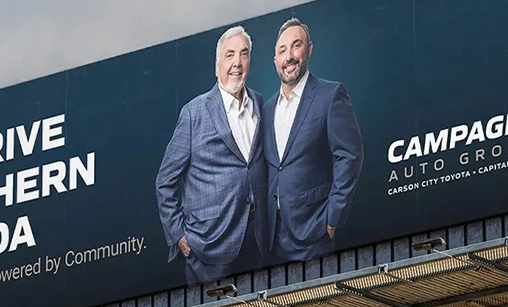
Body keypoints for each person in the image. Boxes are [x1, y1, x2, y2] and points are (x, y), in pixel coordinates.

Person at [155, 25, 267, 286]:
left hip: (257, 243)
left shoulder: (260, 104)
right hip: (208, 247)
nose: (237, 63)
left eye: (244, 54)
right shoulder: (195, 112)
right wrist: (180, 237)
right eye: (230, 55)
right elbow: (165, 181)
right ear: (217, 64)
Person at [264, 17, 363, 262]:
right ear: (275, 60)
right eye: (282, 50)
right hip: (271, 241)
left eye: (296, 46)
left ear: (309, 49)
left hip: (313, 233)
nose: (289, 56)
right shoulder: (265, 111)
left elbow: (350, 156)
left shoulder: (330, 95)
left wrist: (332, 219)